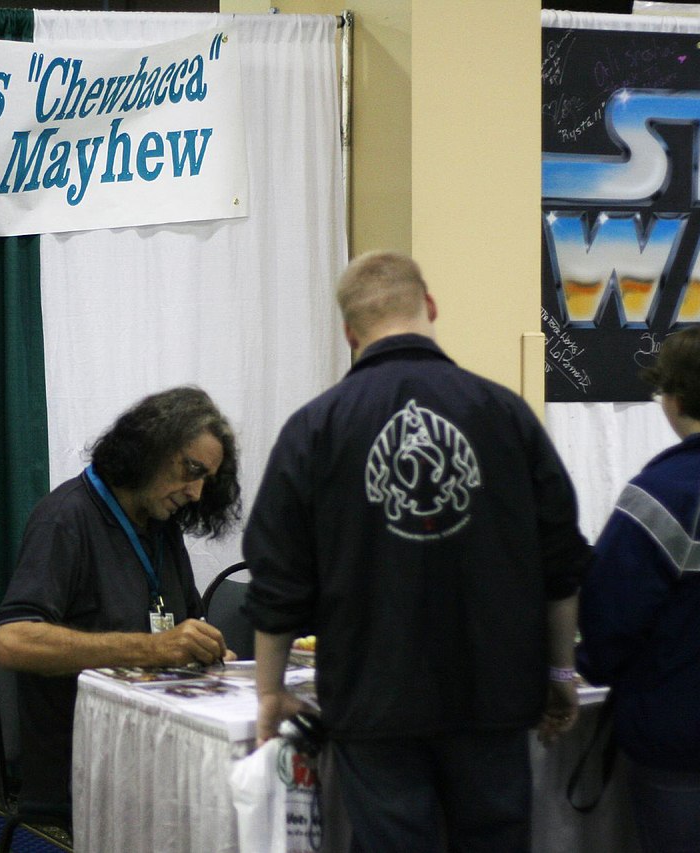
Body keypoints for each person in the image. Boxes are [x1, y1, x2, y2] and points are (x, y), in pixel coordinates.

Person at [243, 251, 591, 852]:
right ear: (430, 307)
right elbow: (560, 561)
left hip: (375, 705)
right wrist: (560, 673)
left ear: (349, 332)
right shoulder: (507, 415)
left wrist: (270, 692)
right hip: (493, 699)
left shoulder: (314, 429)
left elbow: (277, 581)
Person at [0, 385, 242, 817]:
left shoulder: (162, 526)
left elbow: (183, 629)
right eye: (191, 470)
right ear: (149, 448)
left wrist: (205, 651)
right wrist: (153, 649)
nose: (198, 493)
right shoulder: (65, 519)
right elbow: (11, 641)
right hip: (87, 762)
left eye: (207, 479)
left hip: (159, 747)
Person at [577, 324, 700, 853]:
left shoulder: (661, 494)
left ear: (673, 398)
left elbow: (610, 618)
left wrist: (590, 665)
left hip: (678, 733)